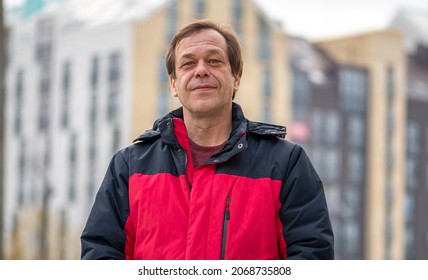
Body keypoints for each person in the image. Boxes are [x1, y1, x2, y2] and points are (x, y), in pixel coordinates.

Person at [80, 19, 334, 260]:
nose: (201, 71)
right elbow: (101, 254)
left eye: (214, 61)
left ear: (236, 78)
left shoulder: (286, 163)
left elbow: (311, 256)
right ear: (174, 84)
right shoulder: (130, 166)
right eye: (188, 64)